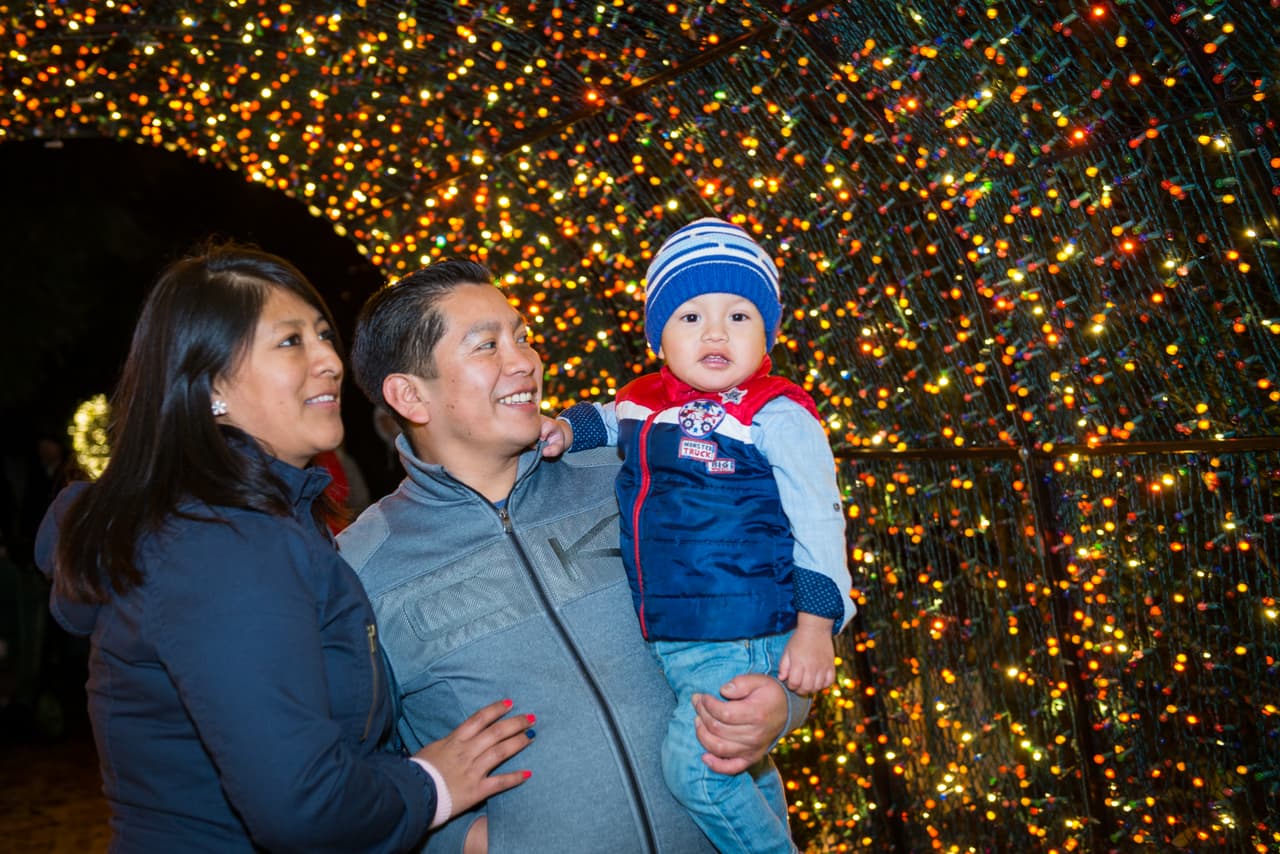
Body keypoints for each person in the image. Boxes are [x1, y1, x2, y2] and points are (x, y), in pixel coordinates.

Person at [34, 243, 534, 852]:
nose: (329, 360)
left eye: (323, 335)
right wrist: (431, 785)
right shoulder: (224, 544)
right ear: (211, 385)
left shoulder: (262, 521)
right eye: (290, 341)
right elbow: (302, 806)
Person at [337, 259, 807, 853]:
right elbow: (349, 777)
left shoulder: (643, 476)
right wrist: (464, 841)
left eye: (522, 337)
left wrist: (783, 704)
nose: (525, 361)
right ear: (409, 395)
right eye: (487, 345)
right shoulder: (359, 567)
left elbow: (773, 604)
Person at [543, 217, 855, 853]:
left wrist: (817, 625)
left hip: (739, 625)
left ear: (767, 332)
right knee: (744, 769)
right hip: (679, 628)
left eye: (739, 316)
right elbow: (607, 416)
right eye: (690, 317)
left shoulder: (774, 413)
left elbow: (820, 519)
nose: (715, 333)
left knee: (698, 771)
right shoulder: (644, 402)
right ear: (659, 337)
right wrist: (567, 429)